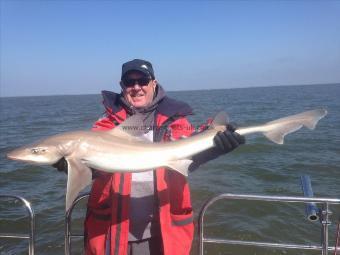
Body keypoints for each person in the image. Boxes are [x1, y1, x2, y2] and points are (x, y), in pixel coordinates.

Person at [54, 59, 245, 255]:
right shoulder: (106, 123)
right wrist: (75, 165)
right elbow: (97, 167)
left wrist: (214, 147)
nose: (136, 87)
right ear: (122, 86)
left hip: (163, 232)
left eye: (143, 80)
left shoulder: (175, 119)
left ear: (153, 83)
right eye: (130, 82)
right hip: (112, 232)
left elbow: (189, 153)